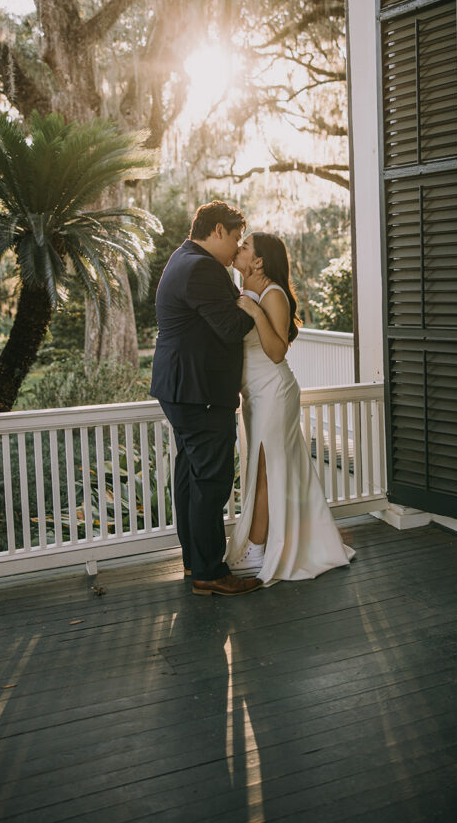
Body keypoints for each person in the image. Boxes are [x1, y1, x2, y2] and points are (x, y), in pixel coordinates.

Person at [225, 232, 354, 584]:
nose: (238, 249)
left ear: (260, 261)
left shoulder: (273, 295)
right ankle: (283, 539)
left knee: (266, 468)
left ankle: (258, 547)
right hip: (253, 393)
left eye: (246, 246)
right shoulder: (244, 291)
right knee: (262, 466)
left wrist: (253, 310)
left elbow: (277, 351)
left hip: (274, 390)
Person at [150, 201, 262, 597]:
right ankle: (210, 571)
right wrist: (255, 294)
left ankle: (194, 562)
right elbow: (232, 327)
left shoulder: (184, 258)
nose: (236, 250)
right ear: (217, 230)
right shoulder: (201, 267)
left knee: (191, 476)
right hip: (199, 391)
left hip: (183, 388)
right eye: (234, 238)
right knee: (211, 481)